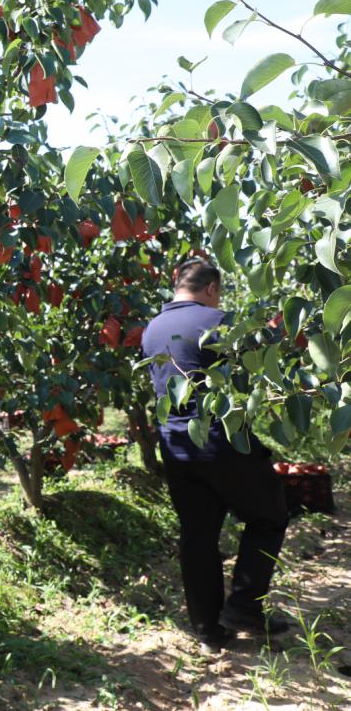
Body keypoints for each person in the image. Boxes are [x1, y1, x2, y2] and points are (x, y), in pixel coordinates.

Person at [141, 257, 290, 654]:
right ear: (211, 289)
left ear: (177, 283)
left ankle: (209, 630)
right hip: (218, 439)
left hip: (173, 445)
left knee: (198, 535)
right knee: (269, 515)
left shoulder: (152, 328)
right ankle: (243, 606)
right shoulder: (217, 319)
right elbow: (263, 354)